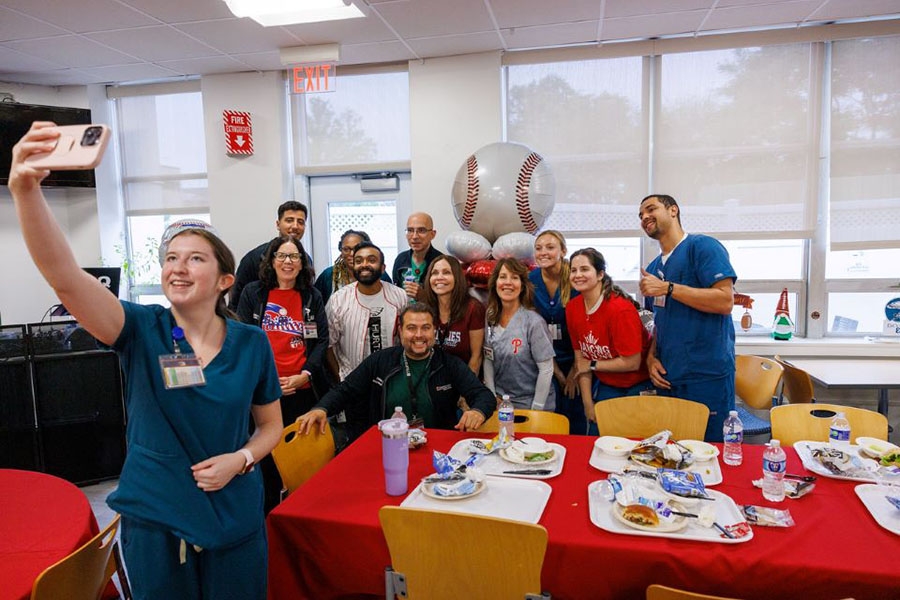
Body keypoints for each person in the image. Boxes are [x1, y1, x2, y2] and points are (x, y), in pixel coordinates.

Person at [8, 123, 283, 599]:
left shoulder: (251, 343)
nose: (178, 266)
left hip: (234, 515)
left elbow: (270, 427)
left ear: (224, 280)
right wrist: (26, 189)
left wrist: (240, 459)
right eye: (171, 257)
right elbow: (66, 279)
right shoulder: (141, 329)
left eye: (195, 258)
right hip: (158, 520)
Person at [297, 303, 495, 443]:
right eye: (411, 328)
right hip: (386, 445)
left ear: (434, 331)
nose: (418, 335)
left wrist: (477, 411)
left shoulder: (449, 364)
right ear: (400, 331)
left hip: (438, 447)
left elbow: (483, 395)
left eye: (425, 328)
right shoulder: (380, 361)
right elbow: (345, 390)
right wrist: (321, 408)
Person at [236, 235, 329, 513]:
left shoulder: (312, 296)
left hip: (300, 390)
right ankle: (266, 515)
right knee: (265, 460)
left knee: (299, 459)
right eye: (282, 256)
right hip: (263, 393)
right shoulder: (253, 293)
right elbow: (242, 339)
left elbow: (321, 340)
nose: (288, 262)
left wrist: (307, 374)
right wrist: (266, 381)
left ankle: (300, 512)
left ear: (302, 264)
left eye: (294, 257)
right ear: (272, 261)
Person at [638, 194, 737, 442]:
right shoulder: (652, 269)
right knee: (672, 450)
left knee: (709, 450)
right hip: (669, 375)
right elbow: (657, 321)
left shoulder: (702, 247)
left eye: (651, 209)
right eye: (640, 215)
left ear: (673, 210)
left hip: (707, 374)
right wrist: (651, 358)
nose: (644, 217)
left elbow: (725, 301)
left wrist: (669, 288)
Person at [567, 248, 653, 435]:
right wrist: (588, 404)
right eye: (573, 270)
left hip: (638, 383)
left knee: (634, 440)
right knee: (598, 434)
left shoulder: (620, 310)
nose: (577, 275)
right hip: (608, 383)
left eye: (584, 269)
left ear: (600, 274)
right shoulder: (573, 308)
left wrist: (592, 364)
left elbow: (631, 363)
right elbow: (581, 361)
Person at [326, 241, 409, 382]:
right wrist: (340, 377)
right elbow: (328, 344)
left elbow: (407, 338)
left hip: (391, 377)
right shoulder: (338, 300)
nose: (364, 264)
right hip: (351, 380)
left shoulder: (399, 296)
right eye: (358, 261)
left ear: (383, 268)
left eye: (371, 260)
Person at [482, 258, 556, 412]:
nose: (507, 282)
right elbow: (488, 359)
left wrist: (537, 409)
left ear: (522, 286)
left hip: (532, 402)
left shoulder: (533, 322)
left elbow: (546, 369)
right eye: (503, 277)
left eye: (514, 278)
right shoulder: (490, 316)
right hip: (502, 402)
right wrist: (491, 396)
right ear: (495, 283)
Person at [529, 230, 583, 433]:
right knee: (549, 418)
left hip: (578, 358)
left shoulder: (577, 278)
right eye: (538, 248)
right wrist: (559, 376)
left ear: (563, 251)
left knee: (575, 415)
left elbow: (586, 329)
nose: (543, 252)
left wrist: (573, 373)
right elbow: (535, 333)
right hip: (543, 359)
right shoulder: (530, 280)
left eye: (550, 247)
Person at [229, 201, 312, 311]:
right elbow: (235, 304)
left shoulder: (306, 260)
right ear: (278, 224)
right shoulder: (253, 258)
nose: (295, 226)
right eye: (289, 220)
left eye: (300, 222)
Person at [421, 254, 485, 376]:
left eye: (446, 273)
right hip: (433, 380)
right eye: (434, 273)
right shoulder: (425, 308)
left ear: (457, 277)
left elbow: (476, 357)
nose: (439, 277)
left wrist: (466, 392)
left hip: (464, 381)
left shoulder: (473, 308)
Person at [313, 229, 391, 305]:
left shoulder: (379, 273)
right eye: (346, 249)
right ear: (341, 251)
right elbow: (316, 305)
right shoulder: (329, 275)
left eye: (356, 248)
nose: (352, 253)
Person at [391, 212, 442, 301]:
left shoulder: (441, 262)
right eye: (410, 230)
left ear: (433, 234)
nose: (414, 236)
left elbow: (447, 301)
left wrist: (424, 297)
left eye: (421, 230)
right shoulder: (400, 259)